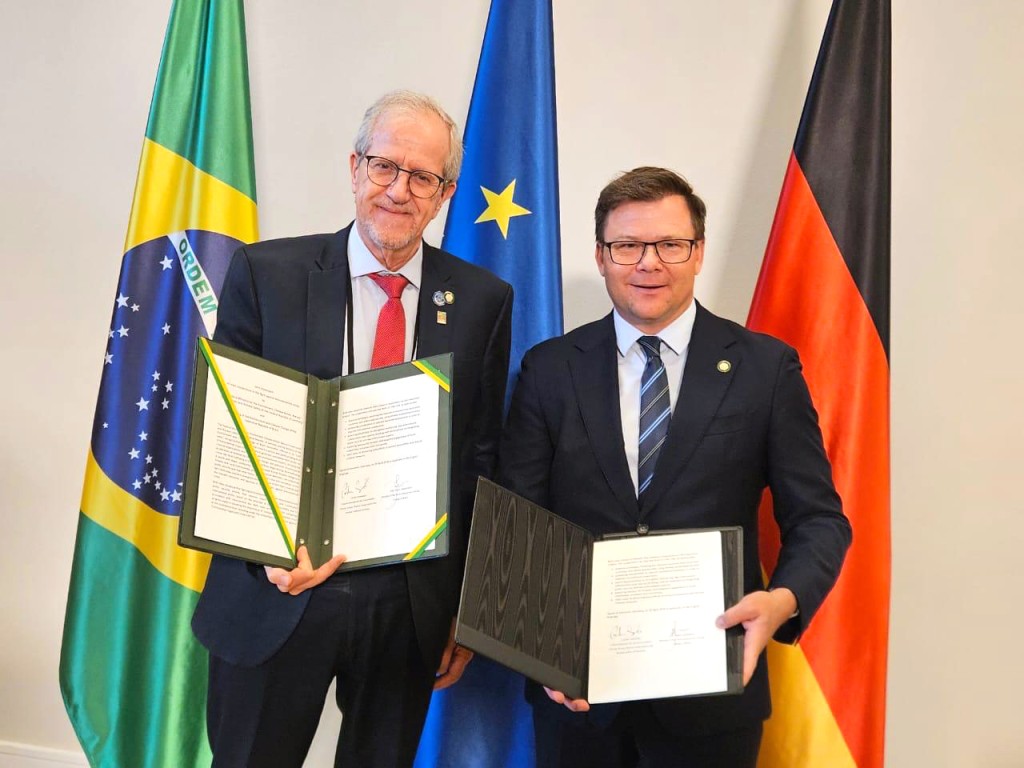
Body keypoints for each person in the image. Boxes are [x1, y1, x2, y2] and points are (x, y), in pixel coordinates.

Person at [191, 90, 513, 768]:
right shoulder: (267, 274)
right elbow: (230, 433)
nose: (398, 190)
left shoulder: (484, 301)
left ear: (446, 193)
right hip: (278, 588)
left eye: (421, 176)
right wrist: (267, 553)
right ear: (354, 167)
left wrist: (466, 608)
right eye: (384, 165)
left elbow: (479, 461)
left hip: (408, 604)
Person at [498, 166, 851, 768]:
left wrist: (783, 600)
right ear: (601, 256)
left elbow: (819, 518)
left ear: (698, 252)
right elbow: (516, 522)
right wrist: (540, 648)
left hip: (713, 698)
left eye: (669, 244)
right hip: (578, 694)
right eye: (627, 245)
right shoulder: (550, 369)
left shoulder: (766, 370)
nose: (648, 263)